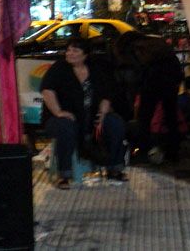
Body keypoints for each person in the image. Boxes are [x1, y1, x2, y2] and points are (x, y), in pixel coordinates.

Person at [41, 38, 128, 189]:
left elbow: (107, 93)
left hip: (91, 116)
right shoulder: (59, 68)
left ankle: (114, 168)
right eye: (68, 50)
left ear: (85, 55)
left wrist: (102, 112)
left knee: (115, 123)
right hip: (63, 118)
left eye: (75, 51)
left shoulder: (95, 69)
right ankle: (64, 174)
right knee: (65, 128)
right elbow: (47, 91)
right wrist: (58, 112)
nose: (70, 53)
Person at [115, 31, 183, 163]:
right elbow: (174, 63)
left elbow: (138, 72)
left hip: (151, 83)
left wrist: (136, 90)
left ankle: (144, 150)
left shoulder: (136, 49)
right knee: (171, 116)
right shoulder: (156, 43)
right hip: (170, 82)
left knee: (144, 117)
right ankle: (173, 151)